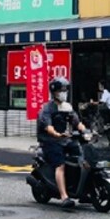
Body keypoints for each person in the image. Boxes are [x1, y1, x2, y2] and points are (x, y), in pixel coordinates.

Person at [37, 77, 87, 209]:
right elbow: (48, 127)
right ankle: (64, 196)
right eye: (61, 90)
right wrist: (56, 134)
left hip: (65, 140)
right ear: (54, 92)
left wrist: (85, 130)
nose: (64, 92)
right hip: (51, 142)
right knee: (60, 166)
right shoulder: (47, 109)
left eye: (65, 90)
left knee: (81, 157)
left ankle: (82, 190)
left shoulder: (67, 107)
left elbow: (76, 121)